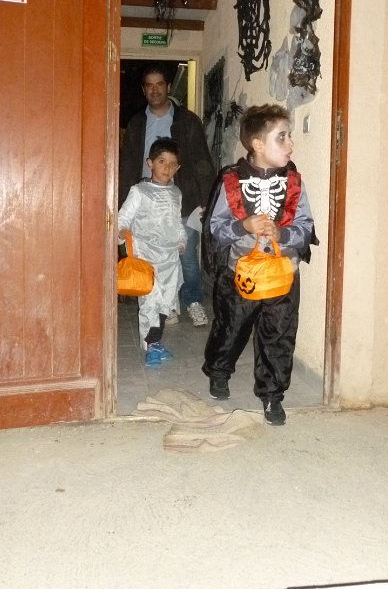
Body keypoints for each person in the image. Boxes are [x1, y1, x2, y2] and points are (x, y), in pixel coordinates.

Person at [201, 104, 317, 425]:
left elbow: (306, 226)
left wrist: (284, 233)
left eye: (289, 136)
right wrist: (243, 226)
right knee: (231, 327)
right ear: (258, 144)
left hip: (283, 273)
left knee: (279, 333)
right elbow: (215, 228)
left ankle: (272, 395)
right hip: (241, 273)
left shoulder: (294, 182)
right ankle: (219, 370)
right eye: (282, 137)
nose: (291, 144)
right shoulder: (230, 181)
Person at [119, 63, 216, 327]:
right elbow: (127, 164)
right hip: (147, 203)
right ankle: (164, 304)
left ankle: (192, 301)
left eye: (159, 84)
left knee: (186, 256)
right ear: (143, 90)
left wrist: (207, 200)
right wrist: (124, 204)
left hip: (183, 201)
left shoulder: (188, 121)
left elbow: (202, 161)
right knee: (154, 259)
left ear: (168, 87)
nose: (155, 90)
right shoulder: (137, 123)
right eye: (149, 85)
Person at [118, 138, 187, 366]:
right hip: (146, 257)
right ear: (150, 163)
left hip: (170, 258)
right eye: (161, 162)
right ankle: (150, 345)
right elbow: (123, 218)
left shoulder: (176, 192)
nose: (167, 168)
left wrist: (182, 240)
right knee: (150, 302)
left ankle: (156, 341)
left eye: (172, 164)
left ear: (178, 167)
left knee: (166, 301)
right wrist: (121, 231)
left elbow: (177, 221)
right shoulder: (139, 191)